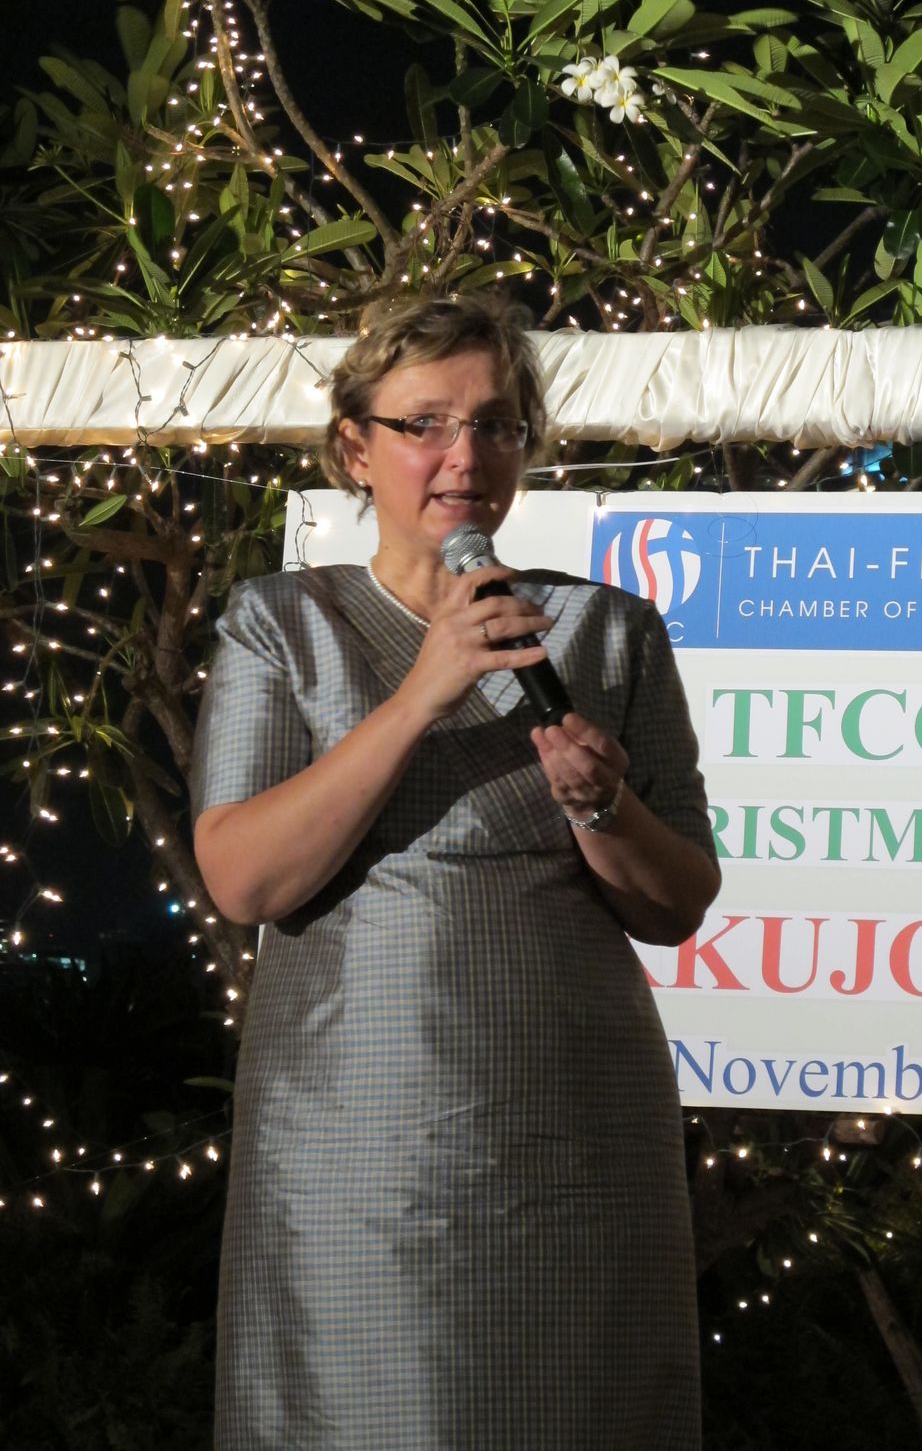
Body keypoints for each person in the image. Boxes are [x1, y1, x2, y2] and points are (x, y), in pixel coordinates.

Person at [191, 294, 722, 1450]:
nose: (464, 457)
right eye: (424, 424)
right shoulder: (280, 624)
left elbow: (678, 902)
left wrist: (603, 806)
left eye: (495, 425)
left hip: (574, 1126)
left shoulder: (609, 630)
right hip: (354, 1127)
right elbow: (244, 881)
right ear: (355, 448)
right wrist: (422, 693)